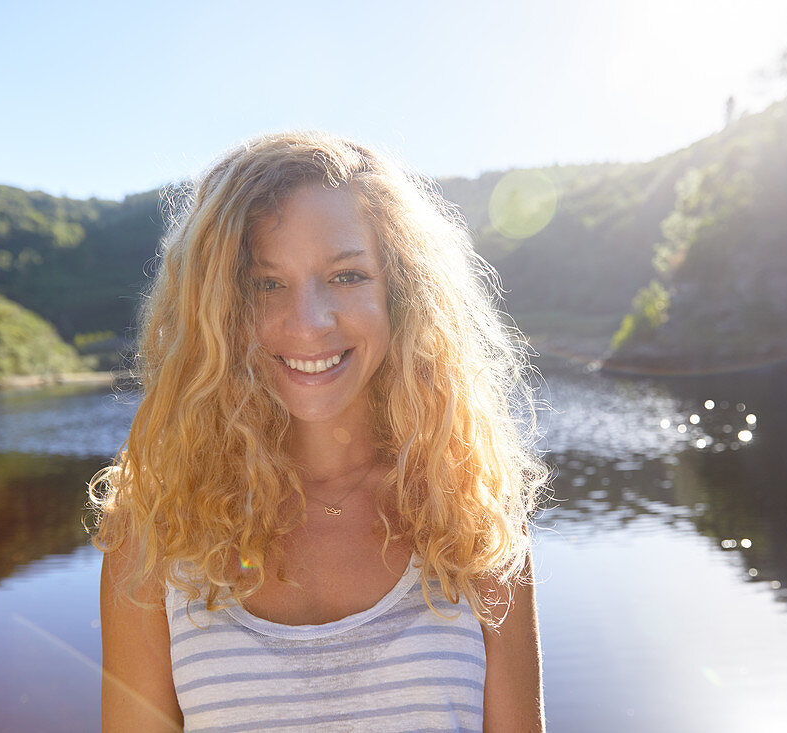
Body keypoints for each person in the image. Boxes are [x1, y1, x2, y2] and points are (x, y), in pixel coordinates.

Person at [92, 131, 547, 732]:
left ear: (401, 294)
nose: (308, 324)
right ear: (217, 310)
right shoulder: (150, 534)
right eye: (265, 284)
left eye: (347, 276)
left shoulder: (473, 514)